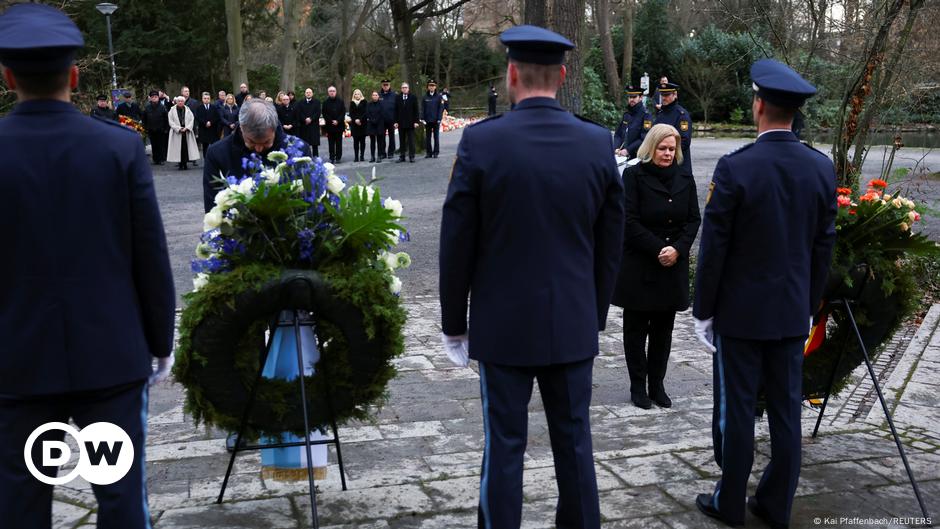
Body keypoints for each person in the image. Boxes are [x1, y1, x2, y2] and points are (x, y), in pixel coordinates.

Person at [439, 25, 624, 529]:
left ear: (512, 73)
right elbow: (612, 241)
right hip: (571, 318)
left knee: (504, 445)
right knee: (575, 441)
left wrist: (454, 322)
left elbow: (457, 241)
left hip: (502, 324)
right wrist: (596, 312)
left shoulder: (481, 142)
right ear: (562, 77)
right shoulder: (596, 142)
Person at [0, 5, 175, 528]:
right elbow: (150, 257)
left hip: (18, 362)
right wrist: (160, 342)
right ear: (75, 76)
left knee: (20, 506)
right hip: (109, 361)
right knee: (121, 501)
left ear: (8, 78)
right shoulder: (118, 148)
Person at [692, 59, 837, 528]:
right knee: (785, 412)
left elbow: (713, 250)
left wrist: (703, 310)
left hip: (740, 315)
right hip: (791, 312)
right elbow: (822, 247)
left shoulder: (736, 168)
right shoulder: (820, 168)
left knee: (736, 412)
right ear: (795, 114)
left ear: (758, 106)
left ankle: (729, 502)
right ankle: (776, 505)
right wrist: (811, 304)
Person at [611, 124, 700, 409]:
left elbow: (693, 219)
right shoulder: (634, 175)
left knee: (663, 329)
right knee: (636, 329)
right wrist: (657, 248)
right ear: (651, 148)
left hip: (671, 263)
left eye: (672, 149)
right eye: (662, 148)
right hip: (641, 261)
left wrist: (678, 249)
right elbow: (628, 219)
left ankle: (657, 384)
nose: (667, 153)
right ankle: (637, 386)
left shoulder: (684, 176)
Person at [203, 99, 311, 213]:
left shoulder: (299, 150)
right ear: (241, 127)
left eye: (266, 142)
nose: (258, 149)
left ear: (274, 128)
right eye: (252, 142)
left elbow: (308, 203)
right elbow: (213, 209)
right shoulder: (217, 154)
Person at [653, 81, 692, 174]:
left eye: (666, 95)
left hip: (677, 166)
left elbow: (684, 141)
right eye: (662, 95)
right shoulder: (661, 114)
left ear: (675, 95)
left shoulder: (682, 115)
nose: (663, 98)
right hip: (661, 164)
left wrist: (666, 153)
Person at [613, 85, 652, 159]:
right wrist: (616, 147)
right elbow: (618, 134)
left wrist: (628, 150)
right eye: (630, 97)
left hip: (637, 156)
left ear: (641, 97)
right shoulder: (627, 115)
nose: (631, 99)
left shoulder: (646, 115)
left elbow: (644, 138)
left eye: (634, 97)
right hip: (621, 155)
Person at [168, 95, 199, 170]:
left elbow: (192, 119)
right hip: (177, 132)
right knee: (179, 149)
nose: (180, 102)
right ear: (176, 102)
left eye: (182, 101)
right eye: (179, 101)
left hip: (186, 131)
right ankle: (180, 164)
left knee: (185, 148)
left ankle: (185, 164)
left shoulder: (188, 110)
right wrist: (178, 128)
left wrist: (187, 128)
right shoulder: (172, 110)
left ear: (184, 102)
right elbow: (170, 121)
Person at [142, 90, 170, 165]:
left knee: (161, 145)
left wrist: (166, 129)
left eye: (156, 97)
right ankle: (155, 159)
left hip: (161, 129)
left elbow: (166, 119)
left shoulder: (162, 107)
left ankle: (161, 159)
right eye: (153, 97)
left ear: (158, 98)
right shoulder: (147, 108)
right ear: (150, 98)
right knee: (154, 145)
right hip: (151, 129)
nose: (154, 98)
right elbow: (144, 119)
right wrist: (145, 128)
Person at [394, 82, 419, 163]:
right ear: (401, 89)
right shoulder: (398, 98)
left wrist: (416, 121)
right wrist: (395, 122)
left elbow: (416, 111)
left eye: (406, 87)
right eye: (403, 87)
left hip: (411, 123)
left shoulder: (413, 97)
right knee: (401, 140)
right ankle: (402, 156)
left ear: (408, 89)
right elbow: (395, 110)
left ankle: (412, 156)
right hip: (401, 123)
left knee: (411, 141)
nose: (404, 89)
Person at [322, 85, 346, 164]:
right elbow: (324, 113)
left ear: (335, 92)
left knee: (339, 142)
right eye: (330, 91)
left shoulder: (340, 101)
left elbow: (343, 112)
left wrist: (338, 121)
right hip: (330, 126)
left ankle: (338, 157)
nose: (332, 92)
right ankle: (332, 157)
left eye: (333, 91)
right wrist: (331, 121)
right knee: (331, 143)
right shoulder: (325, 102)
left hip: (339, 125)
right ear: (328, 92)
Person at [422, 79, 444, 158]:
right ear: (428, 87)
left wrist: (439, 119)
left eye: (433, 86)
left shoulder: (439, 97)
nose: (431, 87)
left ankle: (436, 152)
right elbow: (423, 108)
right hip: (427, 120)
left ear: (435, 87)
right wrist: (422, 118)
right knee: (428, 137)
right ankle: (429, 153)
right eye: (430, 86)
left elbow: (441, 109)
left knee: (436, 137)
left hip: (436, 120)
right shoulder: (425, 97)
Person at [296, 87, 321, 158]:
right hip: (304, 126)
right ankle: (305, 158)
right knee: (305, 144)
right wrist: (305, 119)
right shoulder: (300, 102)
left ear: (312, 93)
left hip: (313, 125)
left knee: (314, 144)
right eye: (307, 92)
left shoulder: (317, 102)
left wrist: (311, 119)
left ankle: (316, 158)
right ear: (305, 94)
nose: (308, 94)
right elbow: (299, 113)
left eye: (310, 92)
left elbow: (318, 112)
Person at [195, 91, 220, 158]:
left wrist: (210, 122)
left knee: (214, 146)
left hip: (212, 130)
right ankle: (206, 161)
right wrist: (205, 123)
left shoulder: (214, 107)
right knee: (205, 147)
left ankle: (214, 160)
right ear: (202, 99)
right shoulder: (199, 108)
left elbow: (217, 117)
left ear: (210, 99)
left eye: (208, 98)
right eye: (205, 98)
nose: (206, 100)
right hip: (203, 130)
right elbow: (198, 117)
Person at [378, 79, 397, 158]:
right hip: (381, 120)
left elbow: (397, 108)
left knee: (391, 137)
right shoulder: (378, 95)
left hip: (391, 120)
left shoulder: (394, 95)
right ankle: (383, 153)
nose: (385, 86)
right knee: (382, 137)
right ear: (382, 85)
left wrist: (396, 120)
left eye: (387, 85)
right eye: (384, 85)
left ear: (389, 85)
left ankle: (391, 152)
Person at [348, 89, 367, 162]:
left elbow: (365, 112)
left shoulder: (364, 102)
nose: (357, 95)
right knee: (355, 141)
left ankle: (362, 156)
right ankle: (356, 157)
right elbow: (351, 113)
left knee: (362, 141)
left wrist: (360, 120)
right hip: (354, 125)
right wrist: (355, 119)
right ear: (354, 95)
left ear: (361, 95)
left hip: (362, 124)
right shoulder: (352, 103)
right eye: (355, 94)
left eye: (358, 94)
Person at [365, 90, 384, 163]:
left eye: (376, 95)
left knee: (380, 142)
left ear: (378, 96)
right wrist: (372, 120)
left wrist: (376, 120)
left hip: (379, 124)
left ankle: (379, 156)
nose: (375, 96)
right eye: (373, 95)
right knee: (372, 142)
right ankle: (372, 156)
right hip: (371, 125)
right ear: (371, 96)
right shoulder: (369, 104)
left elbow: (382, 113)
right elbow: (367, 113)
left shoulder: (381, 104)